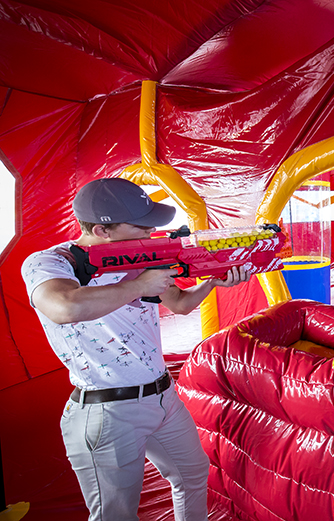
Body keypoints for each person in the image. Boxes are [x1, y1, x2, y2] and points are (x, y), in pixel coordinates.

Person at [21, 177, 251, 521]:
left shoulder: (141, 255)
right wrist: (140, 284)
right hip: (106, 409)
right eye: (141, 227)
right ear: (102, 231)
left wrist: (212, 281)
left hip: (163, 397)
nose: (151, 233)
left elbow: (180, 304)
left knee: (192, 474)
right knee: (115, 515)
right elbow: (64, 307)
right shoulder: (51, 263)